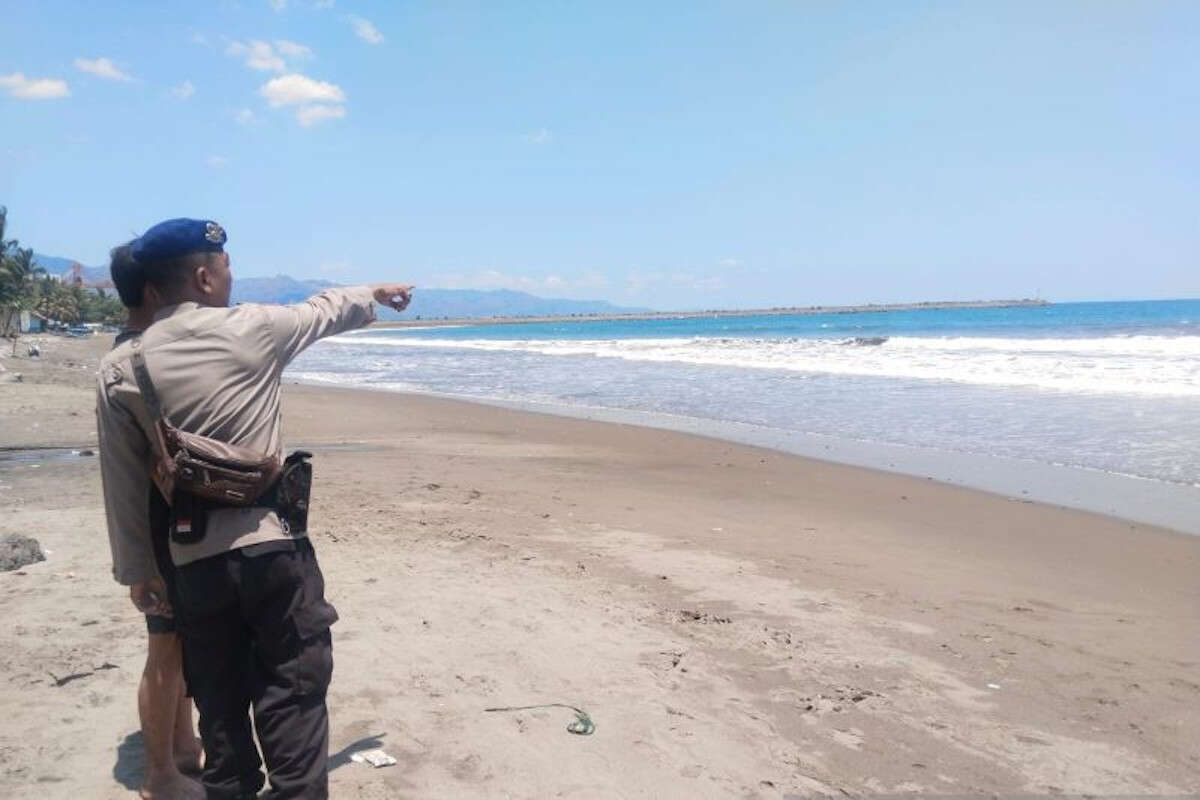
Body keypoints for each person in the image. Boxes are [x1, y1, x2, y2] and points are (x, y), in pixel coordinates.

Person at [97, 217, 412, 800]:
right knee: (292, 700)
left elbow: (120, 482)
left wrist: (138, 573)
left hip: (191, 564)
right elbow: (326, 309)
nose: (230, 279)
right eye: (225, 269)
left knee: (219, 715)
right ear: (204, 276)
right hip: (273, 552)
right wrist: (375, 293)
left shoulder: (123, 367)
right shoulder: (255, 329)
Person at [108, 242, 204, 800]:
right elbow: (126, 472)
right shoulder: (135, 357)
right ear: (153, 290)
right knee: (165, 647)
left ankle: (185, 747)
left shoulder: (137, 351)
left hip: (168, 524)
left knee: (179, 644)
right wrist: (137, 564)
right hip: (159, 527)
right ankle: (159, 775)